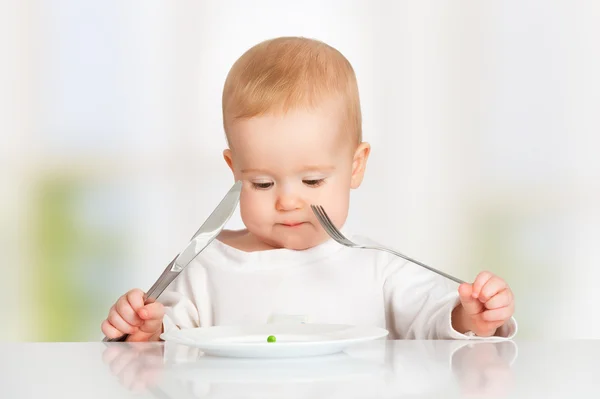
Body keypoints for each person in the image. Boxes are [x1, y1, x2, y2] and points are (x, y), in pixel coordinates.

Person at [101, 36, 517, 342]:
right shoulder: (205, 268)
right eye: (262, 182)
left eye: (313, 180)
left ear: (356, 166)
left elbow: (436, 320)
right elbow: (164, 349)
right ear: (235, 171)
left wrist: (471, 316)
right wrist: (144, 330)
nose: (288, 201)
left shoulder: (377, 268)